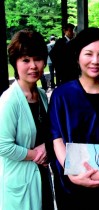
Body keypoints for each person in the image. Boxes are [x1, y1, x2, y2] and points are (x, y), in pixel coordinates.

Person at [48, 27, 99, 210]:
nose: (95, 61)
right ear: (78, 55)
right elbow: (56, 136)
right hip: (69, 183)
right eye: (88, 53)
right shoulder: (62, 95)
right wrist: (71, 172)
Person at [0, 29, 54, 210]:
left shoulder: (41, 95)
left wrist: (46, 147)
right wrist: (36, 155)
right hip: (20, 181)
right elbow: (3, 146)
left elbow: (45, 133)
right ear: (15, 63)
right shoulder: (9, 100)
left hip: (41, 176)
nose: (33, 66)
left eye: (37, 59)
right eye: (26, 60)